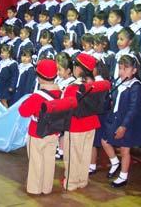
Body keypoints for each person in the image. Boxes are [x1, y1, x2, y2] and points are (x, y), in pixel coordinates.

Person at [101, 55, 141, 187]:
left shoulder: (136, 87)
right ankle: (115, 162)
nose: (122, 71)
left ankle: (123, 176)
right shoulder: (119, 82)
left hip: (128, 123)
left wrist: (123, 126)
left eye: (126, 68)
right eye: (120, 68)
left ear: (134, 70)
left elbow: (133, 110)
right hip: (116, 117)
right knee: (104, 140)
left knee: (124, 150)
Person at [18, 59, 61, 195]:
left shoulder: (37, 96)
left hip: (37, 133)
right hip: (53, 133)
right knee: (49, 161)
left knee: (36, 161)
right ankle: (46, 188)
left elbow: (23, 111)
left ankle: (34, 188)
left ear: (39, 77)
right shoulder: (60, 93)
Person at [62, 53, 100, 191]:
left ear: (79, 69)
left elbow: (65, 105)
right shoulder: (95, 84)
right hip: (91, 123)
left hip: (76, 124)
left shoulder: (72, 87)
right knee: (85, 154)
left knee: (72, 154)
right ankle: (82, 180)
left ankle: (71, 183)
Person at [54, 53, 76, 160]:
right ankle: (59, 148)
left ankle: (62, 149)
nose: (57, 72)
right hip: (57, 107)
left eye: (60, 70)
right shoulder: (59, 79)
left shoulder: (71, 82)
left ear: (68, 70)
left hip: (65, 109)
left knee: (62, 131)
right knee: (59, 131)